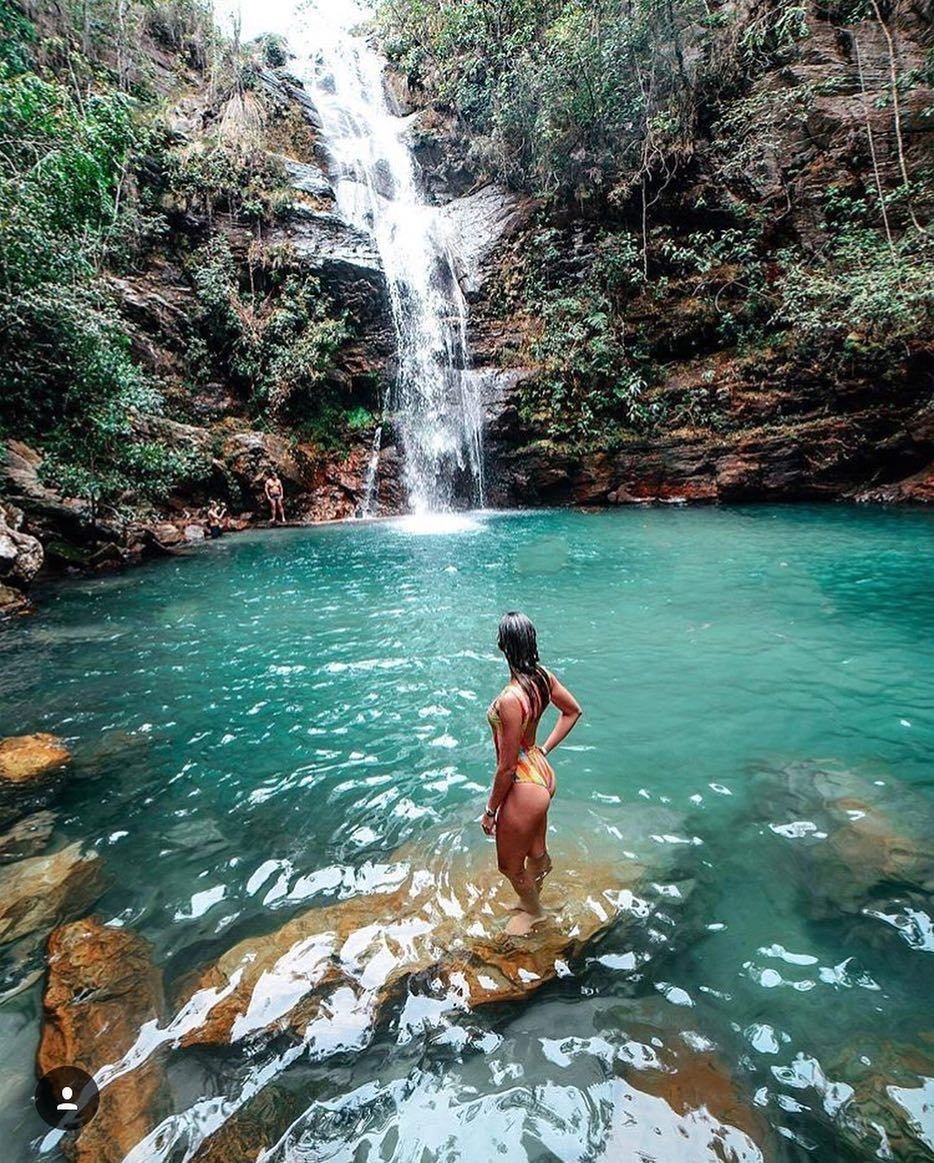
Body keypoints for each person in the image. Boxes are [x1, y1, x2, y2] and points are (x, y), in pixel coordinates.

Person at [482, 611, 582, 936]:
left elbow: (507, 766)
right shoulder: (542, 678)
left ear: (502, 646)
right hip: (541, 772)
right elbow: (572, 711)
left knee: (509, 865)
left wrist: (490, 810)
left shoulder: (510, 699)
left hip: (524, 781)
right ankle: (532, 899)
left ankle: (535, 913)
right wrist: (544, 749)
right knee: (536, 851)